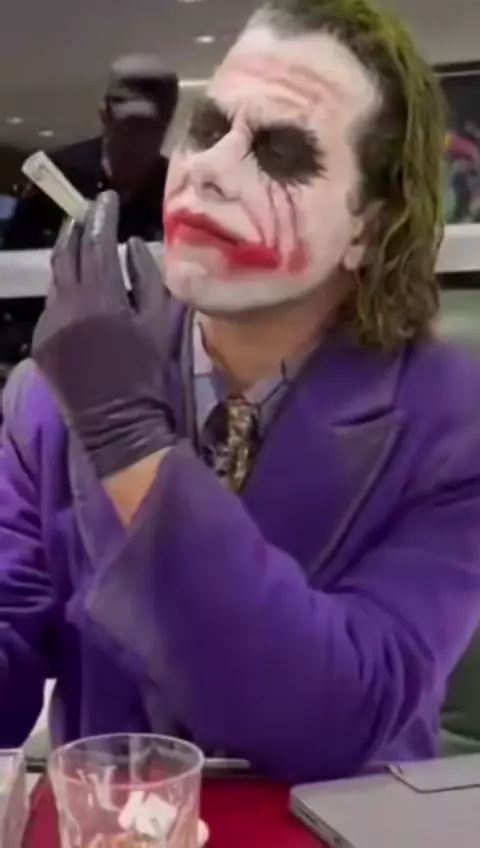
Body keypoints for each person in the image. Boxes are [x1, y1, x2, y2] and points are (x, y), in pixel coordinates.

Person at [1, 0, 480, 785]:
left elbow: (335, 719)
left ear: (369, 226)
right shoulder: (53, 392)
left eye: (281, 152)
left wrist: (130, 444)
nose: (207, 169)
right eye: (207, 128)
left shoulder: (453, 419)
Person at [3, 54, 178, 249]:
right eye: (127, 125)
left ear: (166, 126)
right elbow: (15, 253)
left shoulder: (175, 187)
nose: (135, 139)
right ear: (104, 115)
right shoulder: (57, 175)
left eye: (146, 127)